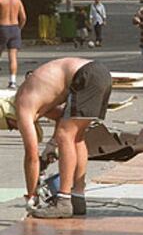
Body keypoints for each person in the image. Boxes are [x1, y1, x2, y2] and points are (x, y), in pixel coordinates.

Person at [15, 57, 112, 218]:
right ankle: (78, 198)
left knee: (65, 135)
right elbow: (63, 117)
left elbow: (32, 156)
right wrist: (51, 146)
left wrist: (31, 195)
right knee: (77, 136)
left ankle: (63, 202)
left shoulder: (21, 106)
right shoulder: (38, 98)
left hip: (84, 75)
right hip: (99, 72)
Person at [0, 0, 26, 89]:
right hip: (15, 28)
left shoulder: (1, 0)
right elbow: (23, 17)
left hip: (2, 27)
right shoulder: (17, 1)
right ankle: (13, 81)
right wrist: (19, 27)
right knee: (13, 56)